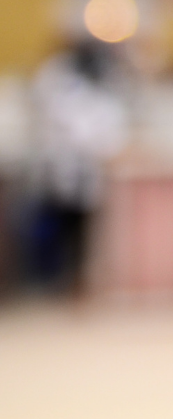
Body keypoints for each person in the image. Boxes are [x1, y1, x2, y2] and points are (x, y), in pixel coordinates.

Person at [28, 40, 129, 295]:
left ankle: (76, 282)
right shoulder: (62, 82)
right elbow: (87, 136)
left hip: (80, 174)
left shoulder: (94, 91)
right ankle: (60, 281)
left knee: (81, 233)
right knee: (60, 230)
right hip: (62, 171)